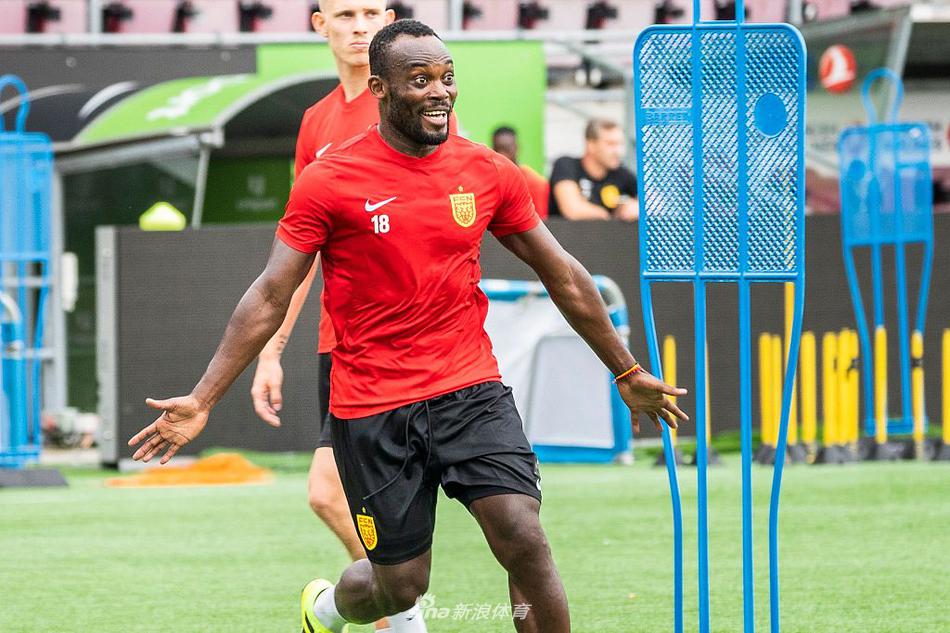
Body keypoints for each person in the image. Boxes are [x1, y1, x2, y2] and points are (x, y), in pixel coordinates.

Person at [129, 20, 688, 633]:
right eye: (420, 80)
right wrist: (203, 398)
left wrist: (626, 370)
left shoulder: (487, 171)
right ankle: (328, 608)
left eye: (447, 77)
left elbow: (566, 276)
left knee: (523, 536)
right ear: (380, 89)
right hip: (373, 407)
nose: (439, 91)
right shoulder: (330, 179)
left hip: (471, 392)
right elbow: (270, 293)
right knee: (399, 586)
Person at [251, 3, 453, 631]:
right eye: (345, 13)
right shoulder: (315, 123)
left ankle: (368, 614)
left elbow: (453, 198)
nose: (360, 25)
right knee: (328, 493)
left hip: (416, 345)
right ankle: (384, 614)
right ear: (320, 24)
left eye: (371, 12)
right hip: (343, 345)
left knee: (349, 494)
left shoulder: (412, 103)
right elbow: (301, 248)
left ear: (389, 17)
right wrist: (271, 349)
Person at [548, 118, 639, 221]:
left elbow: (649, 202)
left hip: (606, 232)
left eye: (620, 144)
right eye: (610, 144)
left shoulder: (620, 173)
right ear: (591, 145)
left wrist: (635, 207)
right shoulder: (566, 165)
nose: (618, 151)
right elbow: (572, 210)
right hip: (563, 231)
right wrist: (609, 216)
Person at [492, 125, 549, 219]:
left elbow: (542, 220)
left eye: (507, 149)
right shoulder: (489, 179)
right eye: (497, 149)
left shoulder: (535, 182)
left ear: (517, 148)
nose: (502, 155)